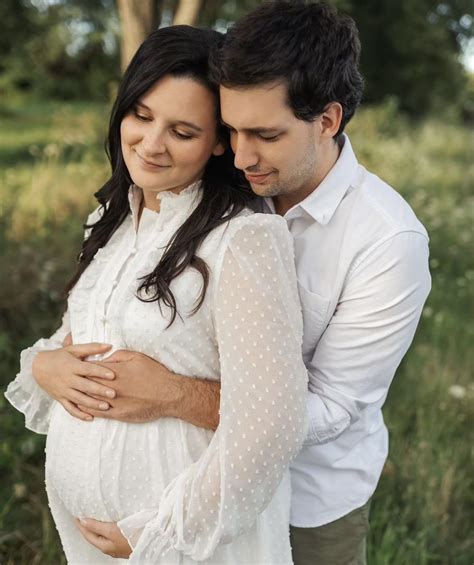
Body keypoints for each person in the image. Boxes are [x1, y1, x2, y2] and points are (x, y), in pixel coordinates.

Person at [11, 3, 431, 564]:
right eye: (230, 130)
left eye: (265, 134)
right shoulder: (190, 197)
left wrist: (170, 395)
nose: (241, 155)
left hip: (307, 502)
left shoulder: (387, 241)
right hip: (163, 501)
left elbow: (329, 407)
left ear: (328, 121)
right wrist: (48, 365)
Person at [5, 25, 310, 564]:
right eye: (141, 115)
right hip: (91, 544)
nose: (150, 143)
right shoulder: (112, 217)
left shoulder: (243, 240)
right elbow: (91, 334)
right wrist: (44, 368)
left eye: (182, 131)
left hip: (192, 543)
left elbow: (271, 426)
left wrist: (163, 531)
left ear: (220, 141)